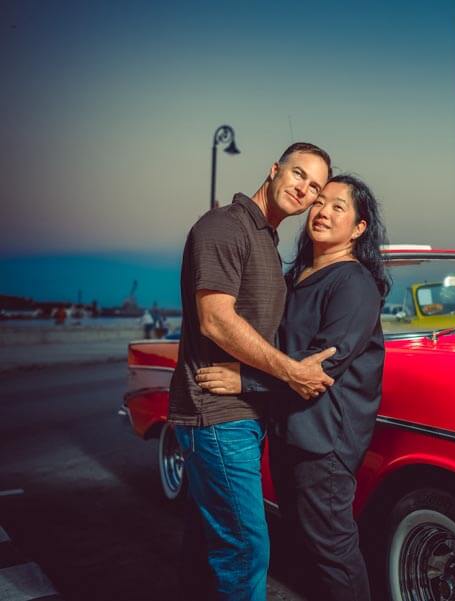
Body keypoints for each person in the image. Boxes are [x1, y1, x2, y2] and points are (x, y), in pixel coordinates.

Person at [196, 174, 388, 601]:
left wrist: (242, 379)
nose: (322, 211)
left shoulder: (353, 283)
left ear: (358, 228)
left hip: (325, 441)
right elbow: (281, 352)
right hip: (290, 434)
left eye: (339, 206)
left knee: (333, 551)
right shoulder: (299, 275)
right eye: (320, 202)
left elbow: (320, 370)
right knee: (304, 546)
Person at [169, 142, 338, 601]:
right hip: (217, 414)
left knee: (208, 548)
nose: (304, 189)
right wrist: (289, 372)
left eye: (315, 187)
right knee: (245, 550)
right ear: (274, 169)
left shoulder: (267, 238)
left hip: (242, 412)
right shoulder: (224, 226)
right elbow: (216, 319)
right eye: (299, 174)